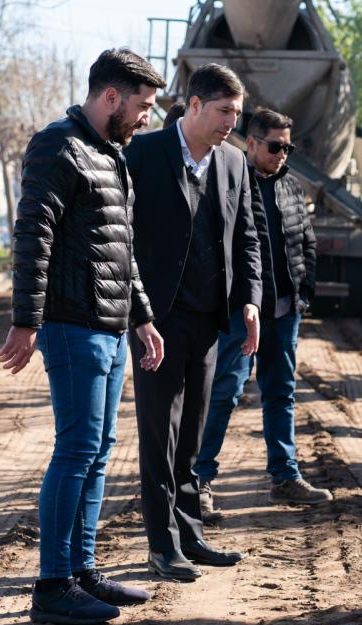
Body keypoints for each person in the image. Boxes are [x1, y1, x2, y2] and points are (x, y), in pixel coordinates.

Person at [0, 48, 166, 625]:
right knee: (75, 450)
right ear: (110, 96)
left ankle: (81, 570)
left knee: (97, 451)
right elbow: (33, 235)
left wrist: (142, 316)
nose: (146, 116)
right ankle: (52, 585)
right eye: (142, 105)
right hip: (72, 324)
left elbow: (122, 248)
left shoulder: (111, 154)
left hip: (111, 328)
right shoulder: (57, 145)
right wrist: (27, 319)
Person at [124, 63, 263, 581]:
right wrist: (138, 312)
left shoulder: (234, 161)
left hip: (208, 319)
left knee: (192, 435)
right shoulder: (143, 154)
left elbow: (247, 237)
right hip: (157, 320)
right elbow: (122, 238)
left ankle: (190, 534)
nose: (232, 122)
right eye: (224, 111)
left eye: (237, 114)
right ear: (196, 105)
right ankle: (162, 545)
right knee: (159, 432)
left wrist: (249, 301)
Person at [194, 107, 331, 516]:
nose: (281, 155)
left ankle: (285, 478)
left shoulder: (291, 186)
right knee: (225, 392)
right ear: (251, 143)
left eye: (287, 148)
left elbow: (306, 242)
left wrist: (303, 293)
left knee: (280, 392)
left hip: (285, 311)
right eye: (274, 147)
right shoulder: (227, 181)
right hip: (240, 312)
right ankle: (199, 481)